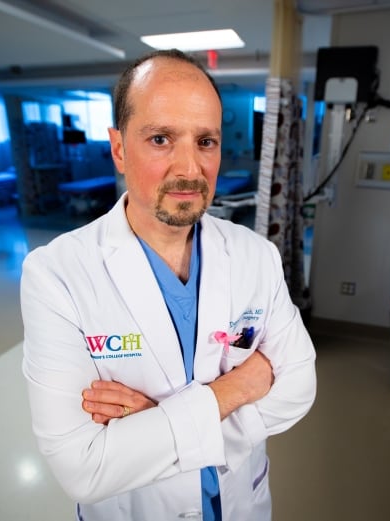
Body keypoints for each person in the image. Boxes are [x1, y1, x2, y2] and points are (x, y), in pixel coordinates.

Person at [20, 49, 317, 521]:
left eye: (206, 141)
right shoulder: (56, 274)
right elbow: (83, 468)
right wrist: (235, 390)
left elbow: (299, 386)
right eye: (161, 139)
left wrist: (155, 424)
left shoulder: (255, 255)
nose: (189, 168)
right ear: (118, 149)